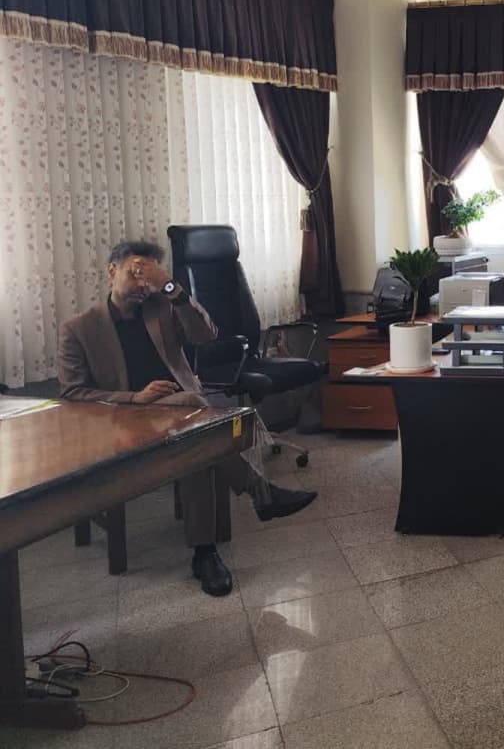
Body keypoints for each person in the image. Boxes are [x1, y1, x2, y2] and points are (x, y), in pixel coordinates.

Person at [57, 241, 317, 597]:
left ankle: (205, 552)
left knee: (197, 441)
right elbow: (72, 393)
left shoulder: (161, 307)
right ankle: (259, 494)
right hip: (124, 421)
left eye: (149, 275)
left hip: (179, 415)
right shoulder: (78, 328)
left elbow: (207, 335)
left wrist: (171, 288)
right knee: (198, 414)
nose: (142, 282)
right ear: (112, 271)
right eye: (135, 271)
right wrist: (135, 398)